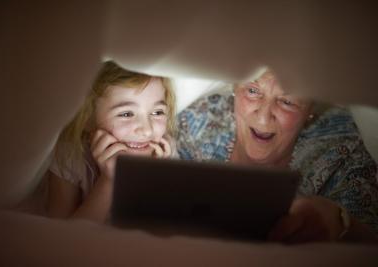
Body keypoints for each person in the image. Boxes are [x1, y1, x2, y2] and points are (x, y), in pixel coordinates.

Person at [176, 69, 378, 243]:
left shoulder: (342, 149)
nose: (264, 116)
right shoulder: (196, 121)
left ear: (311, 109)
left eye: (287, 101)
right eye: (253, 91)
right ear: (235, 89)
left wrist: (339, 222)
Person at [45, 60, 176, 223]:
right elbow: (57, 236)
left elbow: (163, 231)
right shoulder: (70, 155)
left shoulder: (164, 152)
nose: (147, 130)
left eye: (157, 112)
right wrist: (110, 180)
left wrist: (153, 177)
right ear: (88, 119)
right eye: (126, 114)